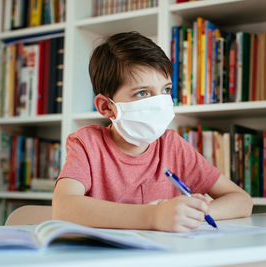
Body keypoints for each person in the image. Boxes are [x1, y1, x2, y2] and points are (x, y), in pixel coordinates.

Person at [52, 32, 253, 232]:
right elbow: (63, 208)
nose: (159, 103)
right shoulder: (87, 144)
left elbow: (242, 201)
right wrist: (154, 216)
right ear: (106, 107)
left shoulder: (172, 146)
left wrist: (191, 213)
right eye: (142, 93)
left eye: (166, 90)